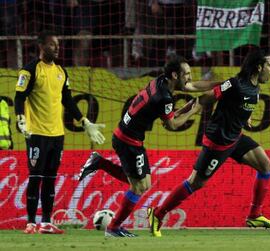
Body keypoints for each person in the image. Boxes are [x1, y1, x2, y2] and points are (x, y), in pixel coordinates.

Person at [146, 48, 270, 237]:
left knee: (266, 166)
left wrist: (245, 118)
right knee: (195, 183)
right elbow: (207, 97)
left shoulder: (255, 87)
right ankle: (157, 214)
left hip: (235, 137)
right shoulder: (234, 84)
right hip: (218, 141)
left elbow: (242, 106)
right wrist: (183, 113)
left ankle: (255, 215)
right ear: (259, 67)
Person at [78, 56, 210, 237]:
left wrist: (214, 89)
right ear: (174, 75)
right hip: (128, 141)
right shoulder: (164, 97)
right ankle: (114, 227)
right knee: (139, 187)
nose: (189, 77)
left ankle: (99, 162)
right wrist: (193, 111)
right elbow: (171, 125)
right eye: (186, 74)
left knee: (143, 183)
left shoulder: (160, 81)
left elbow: (173, 107)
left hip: (128, 137)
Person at [14, 30, 106, 234]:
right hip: (37, 133)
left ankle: (46, 222)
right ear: (41, 46)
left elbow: (68, 100)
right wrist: (20, 118)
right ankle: (30, 223)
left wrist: (84, 121)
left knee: (50, 179)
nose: (56, 48)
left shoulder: (61, 72)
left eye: (57, 44)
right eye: (52, 44)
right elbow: (19, 97)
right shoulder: (30, 70)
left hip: (57, 134)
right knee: (35, 177)